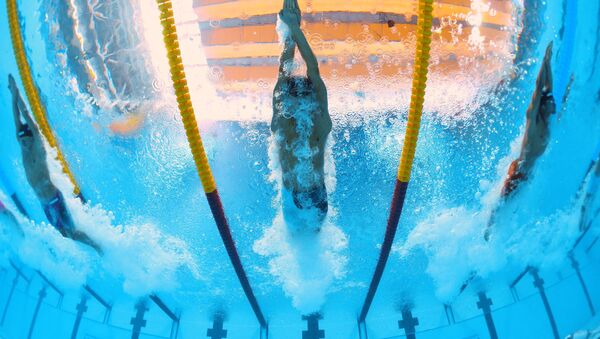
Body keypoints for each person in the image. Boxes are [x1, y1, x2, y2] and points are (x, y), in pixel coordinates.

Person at [8, 74, 102, 253]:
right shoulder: (24, 148)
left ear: (31, 138)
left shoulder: (37, 146)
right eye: (21, 139)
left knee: (72, 232)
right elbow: (16, 119)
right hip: (45, 203)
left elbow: (25, 115)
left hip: (54, 199)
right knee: (65, 234)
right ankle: (94, 243)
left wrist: (18, 94)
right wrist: (13, 93)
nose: (23, 143)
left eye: (25, 139)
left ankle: (97, 246)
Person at [271, 0, 332, 231]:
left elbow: (313, 69)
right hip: (290, 197)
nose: (300, 99)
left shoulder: (320, 120)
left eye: (304, 94)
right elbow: (284, 69)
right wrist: (290, 30)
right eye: (297, 96)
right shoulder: (280, 117)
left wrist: (295, 29)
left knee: (314, 238)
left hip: (318, 197)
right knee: (296, 242)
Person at [485, 42, 555, 240]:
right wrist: (544, 62)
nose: (553, 104)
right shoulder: (533, 122)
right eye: (550, 103)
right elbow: (539, 90)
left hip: (528, 173)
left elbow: (548, 88)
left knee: (514, 205)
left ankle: (500, 230)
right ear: (543, 107)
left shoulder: (547, 122)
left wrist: (549, 63)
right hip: (520, 172)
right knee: (502, 204)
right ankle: (488, 229)